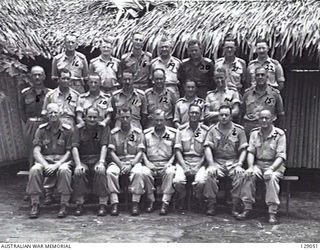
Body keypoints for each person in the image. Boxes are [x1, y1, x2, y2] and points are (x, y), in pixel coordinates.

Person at [236, 109, 286, 224]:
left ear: (273, 118)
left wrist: (271, 169)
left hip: (275, 165)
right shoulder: (254, 133)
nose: (263, 120)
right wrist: (250, 167)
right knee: (248, 175)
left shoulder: (279, 134)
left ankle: (272, 212)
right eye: (261, 118)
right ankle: (247, 208)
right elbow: (251, 152)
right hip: (259, 164)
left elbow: (281, 156)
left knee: (271, 178)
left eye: (266, 118)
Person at [26, 103, 73, 219]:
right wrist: (46, 165)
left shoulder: (67, 130)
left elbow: (69, 152)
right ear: (47, 114)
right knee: (34, 170)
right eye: (50, 112)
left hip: (62, 160)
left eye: (55, 112)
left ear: (60, 114)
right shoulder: (41, 130)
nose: (53, 115)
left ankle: (64, 203)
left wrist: (57, 164)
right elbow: (36, 151)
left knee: (64, 170)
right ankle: (35, 203)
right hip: (45, 160)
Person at [203, 103, 248, 216]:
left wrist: (240, 164)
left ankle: (234, 205)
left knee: (240, 175)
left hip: (233, 161)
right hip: (218, 161)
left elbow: (243, 149)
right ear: (218, 116)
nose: (223, 117)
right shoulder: (212, 130)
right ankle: (211, 204)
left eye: (226, 115)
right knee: (210, 174)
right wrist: (211, 164)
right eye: (221, 115)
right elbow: (207, 147)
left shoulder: (239, 130)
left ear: (231, 117)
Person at [143, 109, 184, 215]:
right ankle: (150, 201)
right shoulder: (146, 134)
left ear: (165, 120)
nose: (159, 123)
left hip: (167, 162)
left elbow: (176, 152)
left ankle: (165, 202)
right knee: (144, 172)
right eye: (157, 120)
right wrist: (147, 162)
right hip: (150, 163)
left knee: (170, 172)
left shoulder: (174, 133)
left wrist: (169, 163)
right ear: (153, 120)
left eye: (161, 120)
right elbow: (142, 150)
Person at [106, 107, 145, 216]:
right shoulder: (114, 133)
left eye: (127, 117)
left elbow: (140, 152)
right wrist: (121, 164)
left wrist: (131, 164)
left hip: (133, 161)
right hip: (118, 161)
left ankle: (135, 203)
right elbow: (112, 152)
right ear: (119, 118)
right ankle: (114, 203)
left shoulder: (138, 133)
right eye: (123, 117)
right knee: (110, 172)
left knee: (138, 172)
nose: (125, 120)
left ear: (131, 117)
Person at [71, 107, 110, 216]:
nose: (92, 120)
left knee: (100, 171)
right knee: (79, 172)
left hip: (97, 158)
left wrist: (101, 162)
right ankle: (80, 203)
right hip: (83, 159)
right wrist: (78, 164)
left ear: (98, 118)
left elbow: (104, 146)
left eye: (95, 117)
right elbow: (74, 147)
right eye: (90, 117)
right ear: (84, 117)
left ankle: (102, 203)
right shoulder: (78, 129)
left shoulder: (103, 128)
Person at [174, 104, 208, 211]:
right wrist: (184, 167)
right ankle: (182, 197)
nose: (194, 115)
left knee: (201, 181)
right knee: (178, 181)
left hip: (200, 162)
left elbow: (207, 152)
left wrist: (198, 166)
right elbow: (178, 150)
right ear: (188, 114)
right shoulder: (181, 130)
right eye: (192, 112)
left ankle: (198, 198)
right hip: (184, 161)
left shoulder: (206, 131)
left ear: (200, 115)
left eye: (196, 113)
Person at [20, 66, 50, 167]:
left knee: (46, 148)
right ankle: (33, 174)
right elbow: (22, 111)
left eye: (39, 75)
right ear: (31, 77)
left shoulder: (49, 93)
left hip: (45, 124)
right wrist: (30, 123)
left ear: (44, 77)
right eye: (34, 75)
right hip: (31, 125)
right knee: (31, 149)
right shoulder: (25, 93)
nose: (37, 77)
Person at [242, 67, 284, 136]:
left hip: (268, 129)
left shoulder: (274, 94)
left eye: (262, 75)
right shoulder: (247, 94)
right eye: (257, 75)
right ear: (254, 77)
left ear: (267, 77)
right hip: (250, 128)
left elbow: (280, 114)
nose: (260, 77)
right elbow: (242, 112)